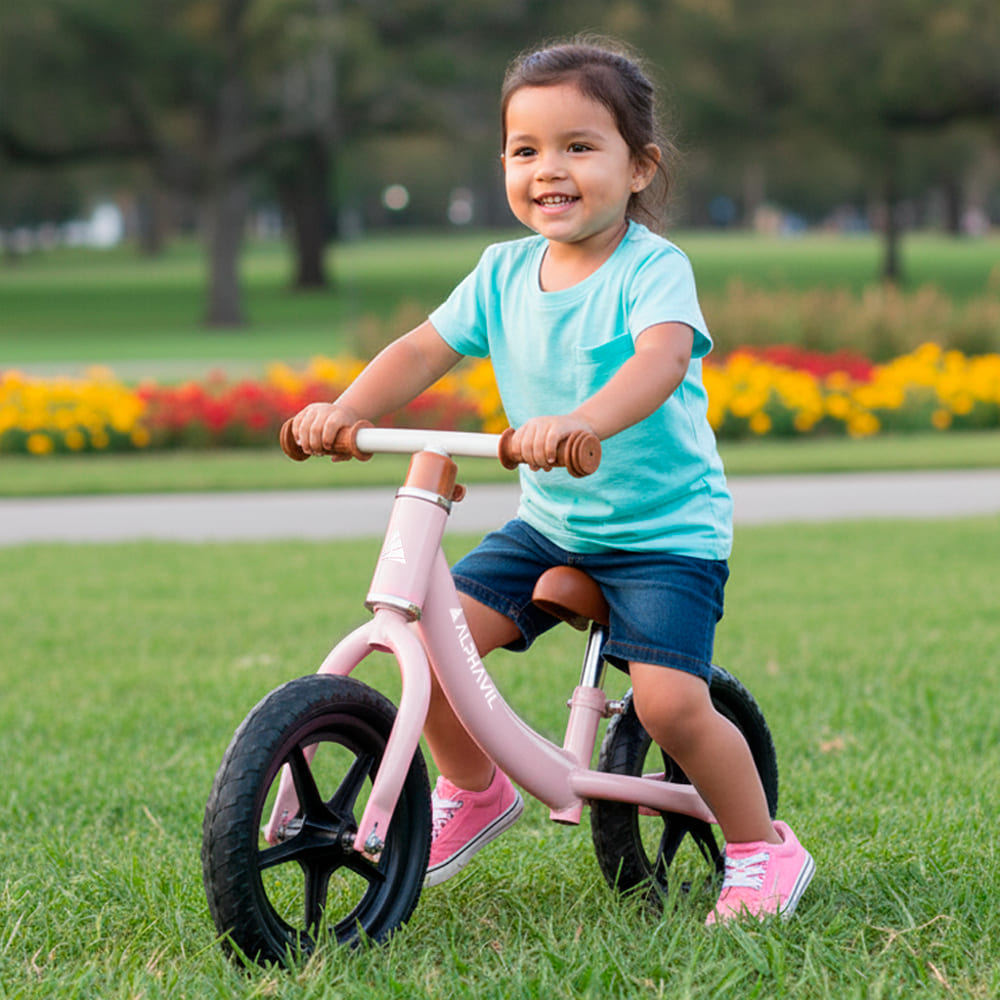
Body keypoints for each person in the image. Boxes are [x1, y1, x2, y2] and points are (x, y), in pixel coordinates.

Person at [290, 37, 814, 925]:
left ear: (640, 165)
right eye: (525, 150)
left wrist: (581, 422)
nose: (549, 169)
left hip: (663, 534)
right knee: (436, 643)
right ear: (502, 163)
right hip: (553, 525)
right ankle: (475, 788)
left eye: (579, 146)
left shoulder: (652, 269)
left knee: (672, 703)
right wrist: (342, 408)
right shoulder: (500, 272)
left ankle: (764, 847)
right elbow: (423, 349)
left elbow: (659, 361)